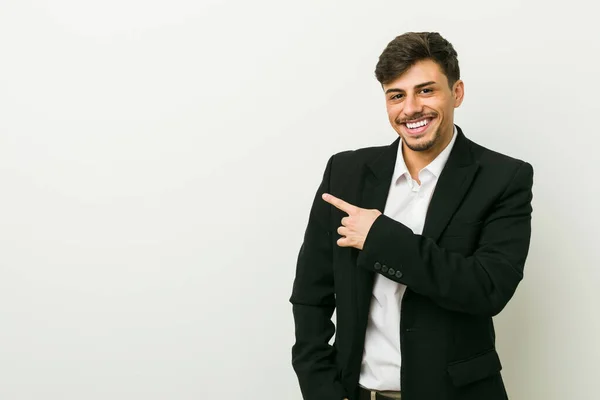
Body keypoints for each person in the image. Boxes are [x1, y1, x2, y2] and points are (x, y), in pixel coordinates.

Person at [289, 32, 534, 400]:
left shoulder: (503, 178)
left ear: (457, 92)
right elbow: (311, 296)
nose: (411, 109)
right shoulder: (345, 173)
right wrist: (323, 390)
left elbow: (486, 289)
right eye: (396, 95)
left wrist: (379, 239)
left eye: (426, 90)